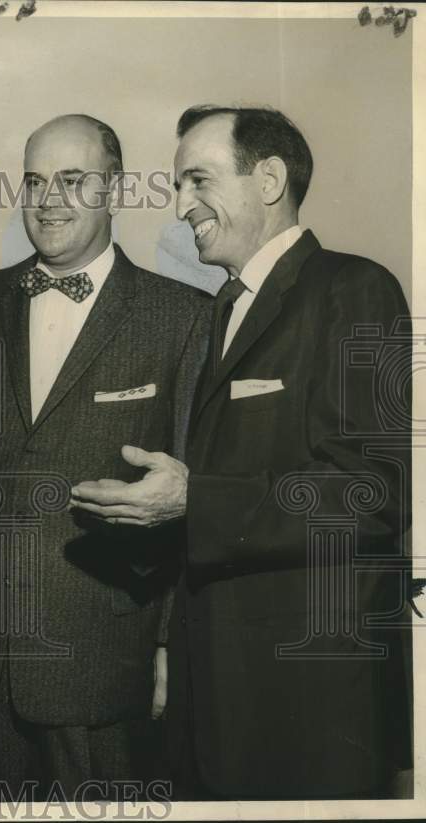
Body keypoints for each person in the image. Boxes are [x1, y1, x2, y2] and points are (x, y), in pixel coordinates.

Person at [71, 105, 411, 799]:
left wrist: (198, 500)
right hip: (212, 704)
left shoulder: (354, 289)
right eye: (177, 184)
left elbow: (371, 495)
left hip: (308, 705)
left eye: (198, 179)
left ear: (270, 178)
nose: (180, 204)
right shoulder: (221, 310)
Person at [0, 114, 210, 800]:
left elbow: (189, 498)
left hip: (104, 663)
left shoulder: (184, 317)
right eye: (34, 180)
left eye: (73, 179)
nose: (48, 198)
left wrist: (172, 645)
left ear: (113, 188)